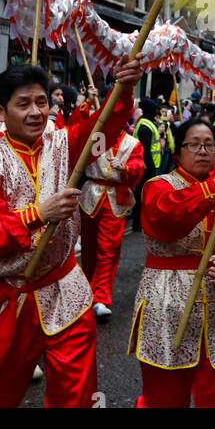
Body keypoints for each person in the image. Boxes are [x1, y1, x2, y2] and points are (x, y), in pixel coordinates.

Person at [0, 59, 141, 407]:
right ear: (0, 111)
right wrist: (36, 215)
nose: (36, 112)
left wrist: (124, 88)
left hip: (64, 285)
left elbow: (103, 131)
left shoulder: (64, 144)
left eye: (42, 102)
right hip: (9, 295)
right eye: (23, 104)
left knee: (77, 391)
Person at [129, 118, 215, 407]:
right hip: (165, 299)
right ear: (177, 152)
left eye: (210, 144)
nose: (203, 150)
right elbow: (166, 220)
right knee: (165, 393)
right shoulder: (158, 186)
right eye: (193, 144)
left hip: (214, 301)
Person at [79, 124, 144, 318]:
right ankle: (88, 290)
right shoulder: (97, 136)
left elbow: (138, 169)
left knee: (108, 249)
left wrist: (125, 168)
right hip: (91, 195)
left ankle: (100, 297)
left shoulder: (133, 143)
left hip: (115, 197)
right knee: (89, 247)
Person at [133, 98, 163, 234]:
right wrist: (150, 167)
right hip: (145, 167)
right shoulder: (145, 125)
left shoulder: (148, 123)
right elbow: (145, 150)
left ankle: (141, 222)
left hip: (149, 166)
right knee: (142, 197)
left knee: (145, 197)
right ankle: (137, 223)